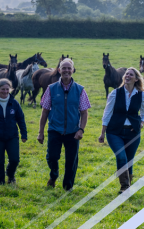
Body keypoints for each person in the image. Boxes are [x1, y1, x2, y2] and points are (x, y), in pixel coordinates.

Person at [37, 59, 91, 191]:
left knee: (71, 161)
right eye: (64, 68)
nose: (66, 70)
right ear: (59, 70)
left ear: (73, 70)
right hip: (55, 130)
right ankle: (54, 174)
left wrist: (81, 130)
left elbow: (84, 113)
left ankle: (68, 186)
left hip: (73, 132)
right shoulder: (51, 89)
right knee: (52, 157)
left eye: (69, 68)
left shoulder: (80, 90)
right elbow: (44, 112)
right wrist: (41, 132)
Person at [99, 67, 144, 194]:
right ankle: (125, 187)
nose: (127, 76)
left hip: (133, 133)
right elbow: (107, 114)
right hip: (114, 132)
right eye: (126, 74)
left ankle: (128, 186)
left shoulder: (142, 94)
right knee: (121, 157)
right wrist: (102, 133)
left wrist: (140, 125)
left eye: (131, 75)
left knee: (129, 160)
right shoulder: (115, 93)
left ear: (136, 79)